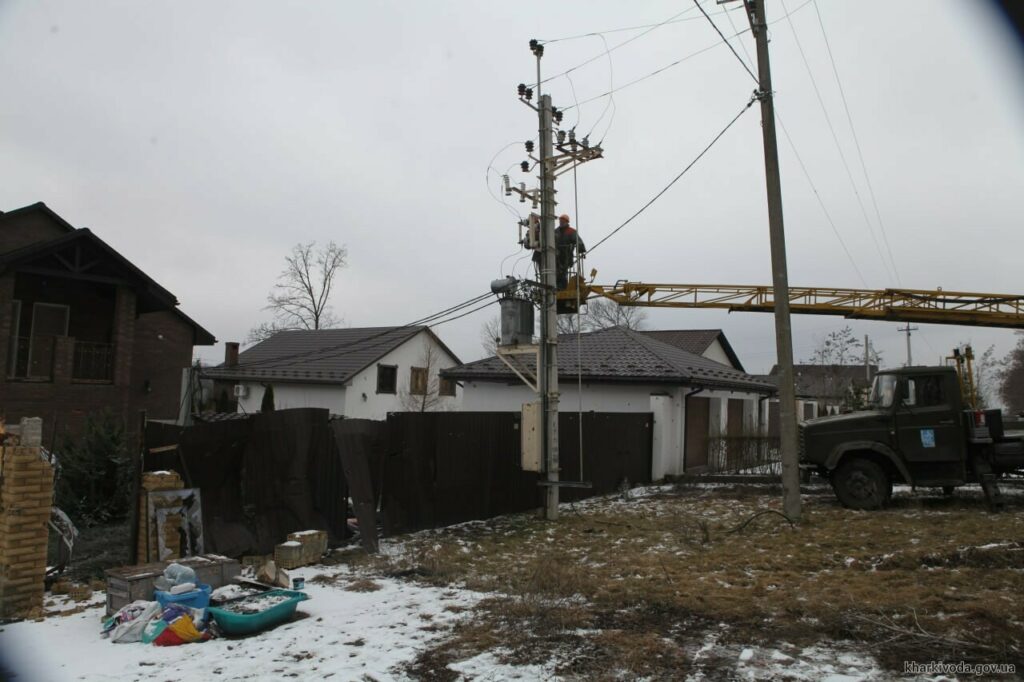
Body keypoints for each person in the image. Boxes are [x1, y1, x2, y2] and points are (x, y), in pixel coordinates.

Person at [554, 214, 585, 290]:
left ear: (567, 222)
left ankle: (562, 288)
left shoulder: (571, 231)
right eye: (560, 220)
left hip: (566, 256)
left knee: (563, 273)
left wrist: (581, 249)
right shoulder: (555, 231)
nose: (561, 222)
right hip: (555, 256)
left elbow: (578, 240)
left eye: (563, 221)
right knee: (555, 273)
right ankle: (556, 287)